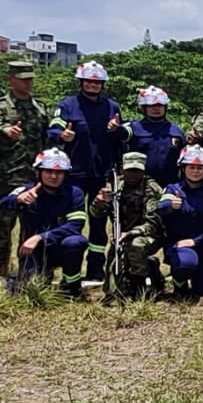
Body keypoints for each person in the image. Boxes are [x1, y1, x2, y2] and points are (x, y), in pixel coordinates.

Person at [49, 60, 123, 283]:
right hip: (74, 175)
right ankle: (67, 269)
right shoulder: (68, 105)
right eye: (88, 81)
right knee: (72, 220)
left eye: (96, 82)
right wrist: (62, 136)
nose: (92, 85)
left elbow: (123, 135)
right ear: (81, 82)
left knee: (99, 222)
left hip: (103, 174)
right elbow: (54, 127)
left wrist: (116, 129)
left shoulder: (112, 107)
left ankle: (96, 269)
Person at [0, 60, 48, 277]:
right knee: (2, 230)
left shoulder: (40, 107)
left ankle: (27, 273)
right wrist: (6, 130)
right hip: (7, 178)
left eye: (30, 79)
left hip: (34, 178)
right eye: (22, 79)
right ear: (10, 79)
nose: (28, 83)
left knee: (31, 228)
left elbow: (46, 139)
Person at [0, 148, 89, 298]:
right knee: (29, 291)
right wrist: (18, 200)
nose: (54, 176)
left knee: (76, 242)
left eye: (59, 172)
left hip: (60, 246)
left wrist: (40, 237)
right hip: (33, 251)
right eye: (48, 171)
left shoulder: (74, 194)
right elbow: (2, 205)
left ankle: (71, 286)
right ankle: (18, 280)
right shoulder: (26, 190)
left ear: (65, 174)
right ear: (38, 172)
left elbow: (75, 225)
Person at [157, 146, 203, 302]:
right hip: (181, 245)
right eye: (192, 167)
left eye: (200, 168)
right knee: (185, 264)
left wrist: (196, 241)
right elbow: (162, 207)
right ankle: (179, 285)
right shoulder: (173, 189)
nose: (196, 171)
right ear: (183, 168)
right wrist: (170, 206)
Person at [93, 152, 164, 299]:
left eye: (136, 171)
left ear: (143, 171)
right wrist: (98, 204)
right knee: (113, 291)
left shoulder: (151, 189)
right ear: (122, 170)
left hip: (148, 235)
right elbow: (96, 215)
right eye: (129, 170)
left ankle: (140, 286)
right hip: (121, 237)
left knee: (136, 245)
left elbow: (153, 224)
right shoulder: (114, 185)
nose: (132, 174)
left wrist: (130, 233)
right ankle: (147, 266)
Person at [125, 86, 185, 187]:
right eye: (151, 105)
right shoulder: (133, 129)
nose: (156, 108)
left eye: (159, 105)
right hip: (140, 186)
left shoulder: (176, 131)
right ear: (144, 108)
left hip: (170, 185)